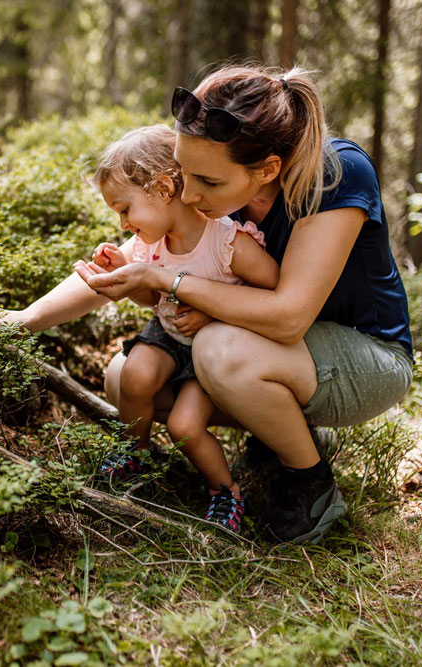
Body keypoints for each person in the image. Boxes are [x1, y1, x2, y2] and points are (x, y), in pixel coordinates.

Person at [0, 64, 413, 545]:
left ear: (268, 170)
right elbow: (129, 263)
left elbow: (287, 317)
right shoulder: (215, 179)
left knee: (219, 349)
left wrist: (168, 280)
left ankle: (310, 483)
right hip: (286, 351)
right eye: (184, 173)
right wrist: (23, 320)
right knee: (125, 377)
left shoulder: (335, 175)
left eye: (207, 183)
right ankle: (281, 429)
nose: (190, 193)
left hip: (368, 357)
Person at [72, 124, 279, 534]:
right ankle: (136, 451)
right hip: (168, 335)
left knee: (186, 426)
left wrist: (214, 314)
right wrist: (121, 277)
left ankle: (226, 493)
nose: (123, 224)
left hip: (213, 345)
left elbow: (272, 291)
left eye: (125, 209)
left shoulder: (228, 243)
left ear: (165, 188)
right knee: (135, 373)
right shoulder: (151, 246)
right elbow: (153, 301)